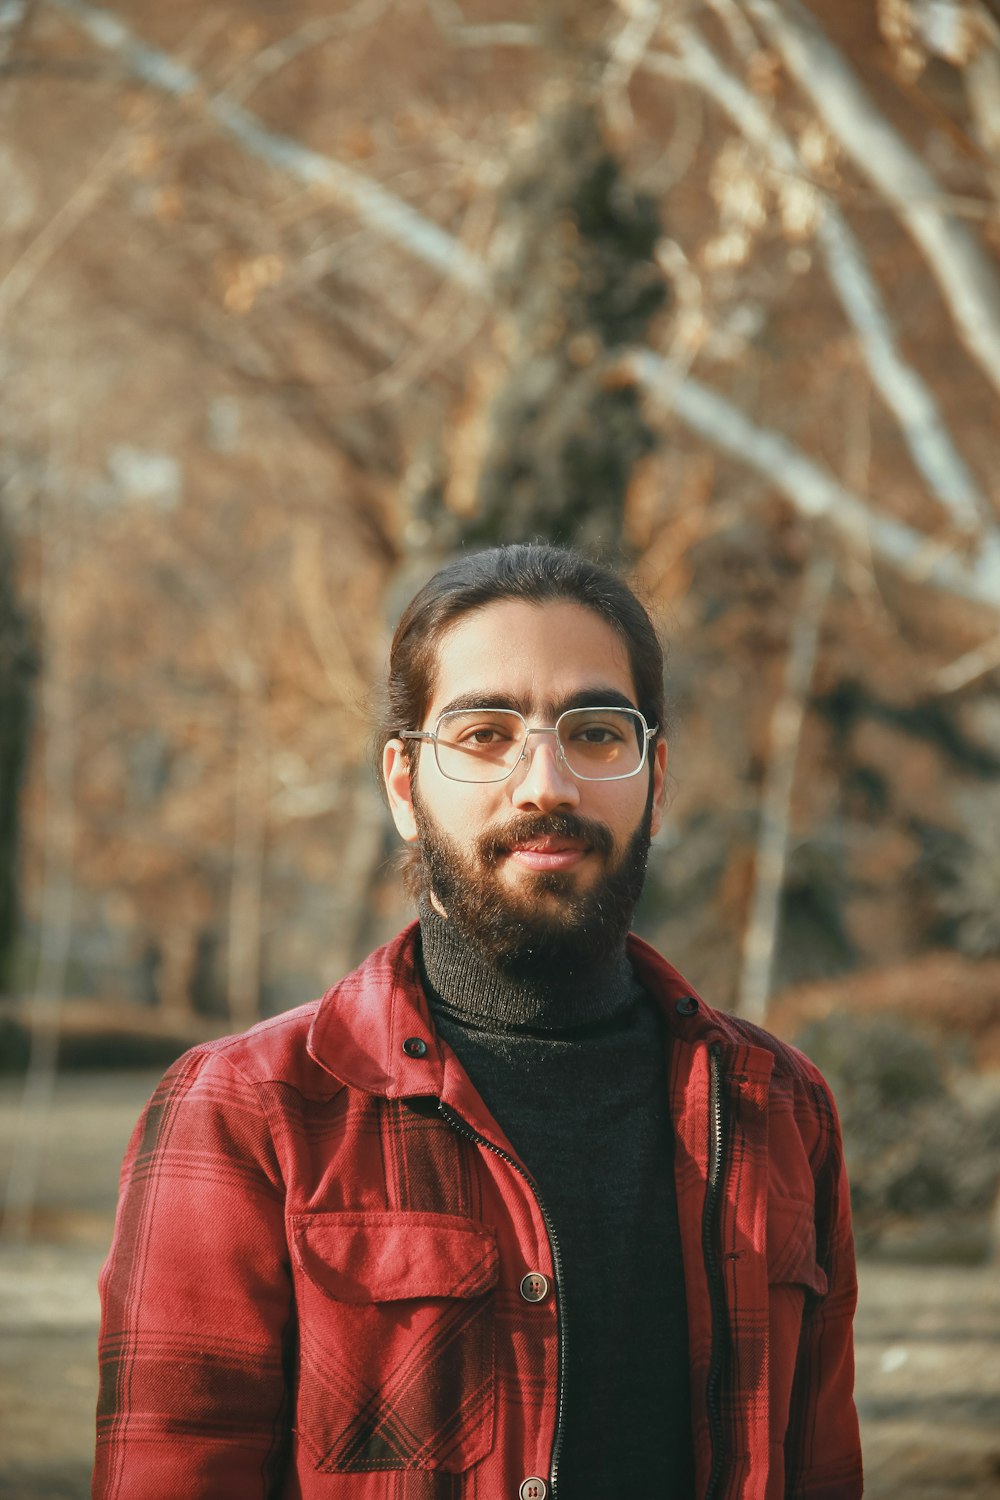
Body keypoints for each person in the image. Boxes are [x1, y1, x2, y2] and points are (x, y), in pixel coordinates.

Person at [93, 543, 863, 1500]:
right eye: (486, 734)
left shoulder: (779, 1109)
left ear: (656, 780)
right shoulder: (249, 1113)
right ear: (402, 787)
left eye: (595, 733)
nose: (546, 784)